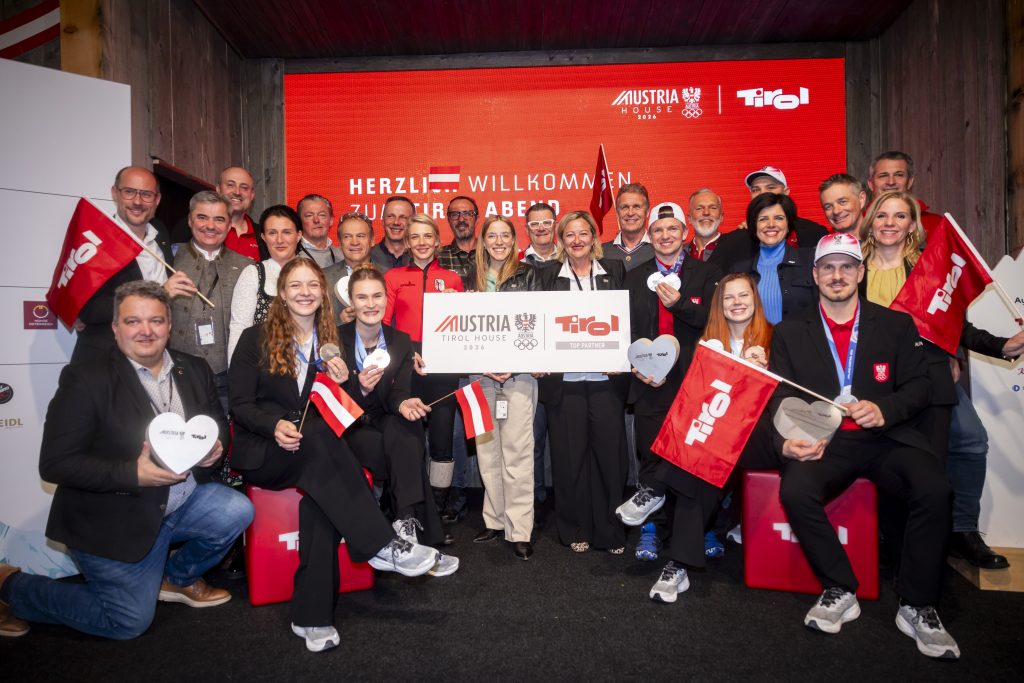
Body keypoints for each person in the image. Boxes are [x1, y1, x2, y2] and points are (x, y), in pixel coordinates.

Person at [0, 280, 252, 640]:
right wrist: (132, 474)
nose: (146, 331)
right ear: (116, 328)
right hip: (113, 519)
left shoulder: (194, 368)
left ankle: (176, 579)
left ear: (169, 324)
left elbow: (215, 426)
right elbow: (55, 463)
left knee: (238, 510)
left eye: (156, 320)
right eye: (133, 321)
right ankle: (12, 585)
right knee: (128, 622)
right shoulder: (85, 378)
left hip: (180, 503)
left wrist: (213, 450)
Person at [228, 258, 440, 652]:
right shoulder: (253, 339)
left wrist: (353, 385)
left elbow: (344, 409)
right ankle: (380, 543)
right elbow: (239, 404)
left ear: (322, 293)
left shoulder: (331, 343)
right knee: (321, 446)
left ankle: (311, 617)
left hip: (312, 452)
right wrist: (273, 425)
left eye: (312, 284)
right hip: (268, 450)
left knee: (321, 501)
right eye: (296, 285)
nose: (305, 292)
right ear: (282, 292)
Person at [769, 232, 959, 659]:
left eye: (847, 266)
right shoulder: (788, 331)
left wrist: (886, 408)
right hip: (827, 443)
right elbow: (780, 398)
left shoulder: (894, 324)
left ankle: (916, 603)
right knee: (795, 490)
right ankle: (840, 587)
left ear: (861, 271)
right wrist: (789, 442)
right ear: (815, 274)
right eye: (829, 268)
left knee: (935, 490)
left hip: (887, 438)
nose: (837, 276)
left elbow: (921, 386)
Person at [856, 191, 1024, 569]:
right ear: (870, 221)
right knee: (886, 453)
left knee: (969, 440)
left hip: (928, 370)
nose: (889, 223)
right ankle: (889, 536)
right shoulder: (855, 267)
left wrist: (1005, 346)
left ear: (913, 225)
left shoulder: (928, 269)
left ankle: (961, 531)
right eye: (882, 215)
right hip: (874, 377)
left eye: (900, 216)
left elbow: (955, 327)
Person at [615, 201, 722, 602]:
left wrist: (679, 304)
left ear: (684, 233)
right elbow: (624, 328)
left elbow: (713, 319)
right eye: (658, 231)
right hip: (648, 382)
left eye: (672, 230)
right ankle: (650, 529)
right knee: (652, 456)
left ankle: (697, 529)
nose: (665, 236)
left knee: (692, 459)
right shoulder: (634, 275)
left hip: (694, 382)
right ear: (650, 235)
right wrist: (633, 366)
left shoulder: (707, 274)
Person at [339, 265, 458, 570]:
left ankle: (404, 524)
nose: (371, 303)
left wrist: (405, 403)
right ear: (351, 302)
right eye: (362, 297)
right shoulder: (333, 338)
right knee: (405, 448)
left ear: (386, 299)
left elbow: (397, 394)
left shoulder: (400, 340)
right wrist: (359, 389)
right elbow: (327, 399)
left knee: (407, 425)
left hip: (382, 419)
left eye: (377, 295)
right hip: (344, 424)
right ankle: (417, 531)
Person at [539, 211, 628, 554]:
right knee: (569, 459)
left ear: (594, 237)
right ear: (561, 242)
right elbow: (538, 324)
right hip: (566, 383)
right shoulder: (547, 275)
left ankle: (610, 531)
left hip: (606, 380)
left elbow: (627, 320)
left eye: (583, 233)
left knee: (610, 458)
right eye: (569, 235)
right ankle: (575, 526)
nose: (576, 240)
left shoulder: (616, 272)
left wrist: (625, 356)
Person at [463, 216, 543, 559]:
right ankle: (494, 520)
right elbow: (460, 328)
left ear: (514, 240)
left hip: (519, 375)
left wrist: (516, 363)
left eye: (504, 236)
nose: (498, 241)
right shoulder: (469, 277)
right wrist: (481, 365)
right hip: (479, 376)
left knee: (518, 453)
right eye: (492, 236)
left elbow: (539, 323)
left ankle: (519, 528)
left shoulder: (530, 274)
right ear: (483, 240)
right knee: (487, 451)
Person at [383, 214, 466, 521]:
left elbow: (463, 327)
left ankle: (437, 509)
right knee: (410, 443)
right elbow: (384, 326)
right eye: (414, 237)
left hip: (443, 368)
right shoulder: (392, 278)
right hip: (406, 367)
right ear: (407, 242)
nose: (421, 243)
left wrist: (460, 304)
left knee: (443, 443)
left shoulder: (453, 279)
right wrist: (405, 356)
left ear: (436, 241)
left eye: (427, 236)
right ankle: (409, 510)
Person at [71, 166, 196, 365]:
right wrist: (160, 293)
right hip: (107, 361)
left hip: (153, 358)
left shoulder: (160, 232)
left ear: (157, 200)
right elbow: (89, 311)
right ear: (115, 193)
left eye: (146, 194)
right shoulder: (95, 242)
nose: (137, 202)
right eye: (129, 192)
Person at [699, 273, 777, 555]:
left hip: (758, 433)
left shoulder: (776, 338)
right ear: (719, 304)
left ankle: (714, 526)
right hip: (718, 428)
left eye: (743, 295)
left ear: (755, 299)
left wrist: (766, 374)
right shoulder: (708, 342)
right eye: (728, 297)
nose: (736, 303)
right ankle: (703, 529)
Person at [170, 191, 253, 413]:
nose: (210, 226)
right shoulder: (168, 258)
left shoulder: (246, 266)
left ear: (228, 225)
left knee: (222, 441)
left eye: (219, 219)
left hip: (226, 375)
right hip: (177, 373)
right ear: (190, 220)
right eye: (202, 217)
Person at [520, 201, 558, 524]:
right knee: (531, 441)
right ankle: (531, 505)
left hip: (564, 367)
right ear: (527, 229)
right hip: (528, 368)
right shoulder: (516, 266)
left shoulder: (575, 259)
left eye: (547, 222)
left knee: (564, 442)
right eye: (535, 224)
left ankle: (566, 504)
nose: (542, 228)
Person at [228, 205, 304, 362]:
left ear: (299, 235)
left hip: (306, 365)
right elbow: (239, 328)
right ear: (263, 237)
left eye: (287, 232)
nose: (279, 240)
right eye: (272, 233)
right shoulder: (253, 274)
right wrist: (236, 374)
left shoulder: (312, 273)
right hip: (263, 366)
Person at [732, 193, 816, 324]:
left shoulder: (810, 260)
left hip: (801, 343)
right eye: (763, 219)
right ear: (754, 226)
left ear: (788, 225)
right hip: (755, 343)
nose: (771, 224)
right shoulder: (739, 271)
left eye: (779, 218)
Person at [741, 165, 828, 247]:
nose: (763, 193)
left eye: (770, 187)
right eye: (755, 190)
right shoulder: (743, 234)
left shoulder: (815, 232)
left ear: (786, 192)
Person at [866, 151, 942, 235]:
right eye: (883, 175)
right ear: (871, 184)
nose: (891, 182)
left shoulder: (937, 224)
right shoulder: (857, 222)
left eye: (899, 175)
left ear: (909, 182)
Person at [323, 211, 375, 323]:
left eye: (361, 236)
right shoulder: (322, 278)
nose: (354, 242)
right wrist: (340, 323)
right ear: (340, 242)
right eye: (347, 237)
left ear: (372, 240)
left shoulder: (388, 276)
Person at [685, 187, 753, 272]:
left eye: (713, 208)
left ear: (721, 217)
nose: (706, 212)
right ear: (689, 218)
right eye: (699, 208)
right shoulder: (679, 253)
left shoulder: (738, 244)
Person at [601, 183, 654, 270]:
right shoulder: (601, 252)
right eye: (625, 207)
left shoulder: (659, 249)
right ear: (617, 212)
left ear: (647, 211)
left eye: (637, 207)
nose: (630, 213)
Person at [217, 166, 265, 261]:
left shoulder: (264, 235)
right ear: (218, 190)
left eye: (244, 187)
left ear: (252, 195)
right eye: (230, 185)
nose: (237, 192)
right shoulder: (197, 229)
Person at [437, 196, 479, 277]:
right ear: (449, 221)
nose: (461, 219)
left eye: (467, 214)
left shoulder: (490, 253)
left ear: (476, 220)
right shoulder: (438, 257)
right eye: (455, 214)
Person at [297, 194, 342, 268]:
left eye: (322, 215)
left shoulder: (343, 256)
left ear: (331, 220)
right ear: (299, 221)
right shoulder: (291, 256)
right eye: (309, 215)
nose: (316, 220)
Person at [371, 196, 414, 271]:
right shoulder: (368, 256)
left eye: (403, 217)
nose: (396, 222)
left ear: (412, 223)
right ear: (383, 220)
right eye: (390, 216)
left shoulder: (421, 256)